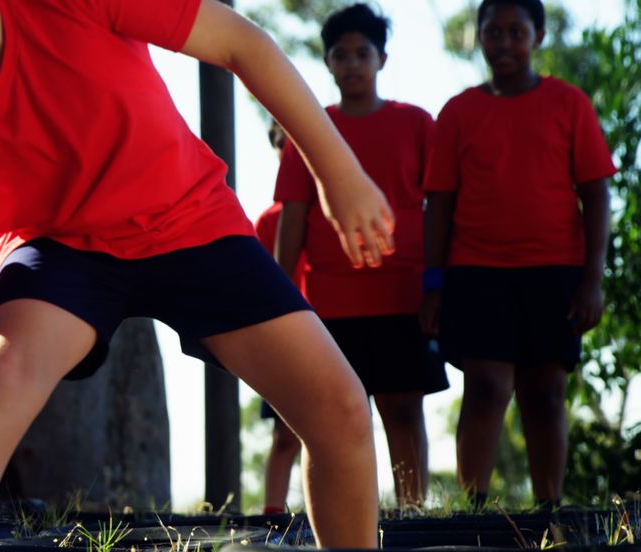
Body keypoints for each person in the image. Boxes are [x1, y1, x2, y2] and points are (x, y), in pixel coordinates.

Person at [0, 0, 396, 552]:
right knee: (0, 376)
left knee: (340, 407)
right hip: (60, 250)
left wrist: (337, 174)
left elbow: (241, 43)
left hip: (187, 218)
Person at [421, 0, 615, 509]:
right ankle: (472, 512)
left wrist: (592, 279)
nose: (504, 42)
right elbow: (438, 203)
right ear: (478, 38)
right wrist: (433, 284)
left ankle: (550, 513)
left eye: (515, 31)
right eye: (492, 32)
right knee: (485, 387)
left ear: (538, 36)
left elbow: (596, 193)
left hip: (554, 271)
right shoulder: (459, 111)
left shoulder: (568, 103)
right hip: (477, 271)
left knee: (545, 395)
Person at [272, 3, 448, 509]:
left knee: (402, 406)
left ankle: (412, 512)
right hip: (330, 302)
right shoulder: (310, 130)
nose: (352, 63)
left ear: (382, 59)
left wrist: (438, 282)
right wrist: (283, 290)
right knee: (339, 414)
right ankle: (356, 522)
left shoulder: (416, 123)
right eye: (341, 54)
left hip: (402, 292)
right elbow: (294, 213)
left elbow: (440, 204)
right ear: (327, 63)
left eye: (362, 53)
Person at [254, 123, 303, 515]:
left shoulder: (333, 208)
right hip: (287, 336)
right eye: (283, 149)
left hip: (335, 322)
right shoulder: (268, 221)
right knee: (285, 432)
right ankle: (273, 513)